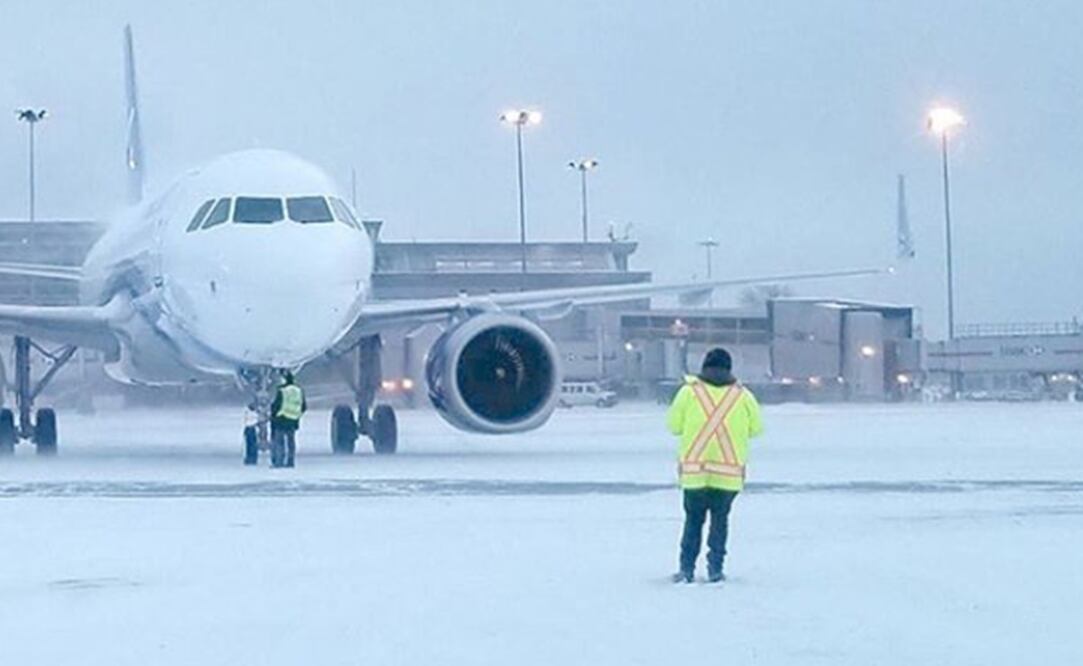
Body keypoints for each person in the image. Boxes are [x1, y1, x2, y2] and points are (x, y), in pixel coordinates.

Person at [666, 347, 762, 583]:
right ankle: (715, 569)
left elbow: (673, 427)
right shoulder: (743, 396)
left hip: (694, 474)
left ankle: (686, 569)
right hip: (728, 476)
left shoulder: (688, 393)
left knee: (693, 522)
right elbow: (756, 429)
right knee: (720, 523)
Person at [270, 370, 306, 468]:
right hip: (293, 420)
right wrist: (296, 415)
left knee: (279, 442)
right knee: (291, 442)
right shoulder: (298, 390)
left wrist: (273, 416)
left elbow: (277, 405)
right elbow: (303, 406)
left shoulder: (283, 391)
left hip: (281, 420)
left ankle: (279, 462)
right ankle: (291, 461)